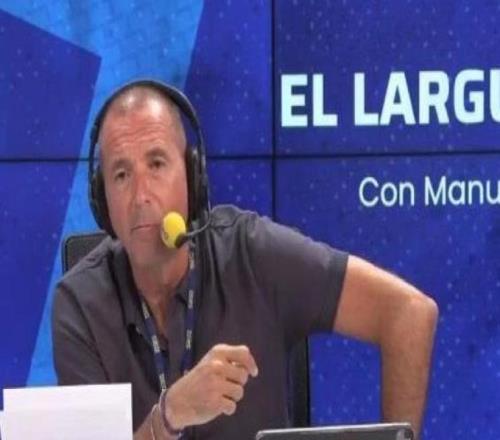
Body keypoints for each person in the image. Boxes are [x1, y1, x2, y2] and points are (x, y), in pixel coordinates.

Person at [52, 80, 438, 440]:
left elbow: (408, 312)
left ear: (192, 175)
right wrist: (168, 417)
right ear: (102, 199)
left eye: (156, 164)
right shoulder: (80, 304)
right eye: (121, 175)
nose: (140, 196)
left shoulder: (253, 253)